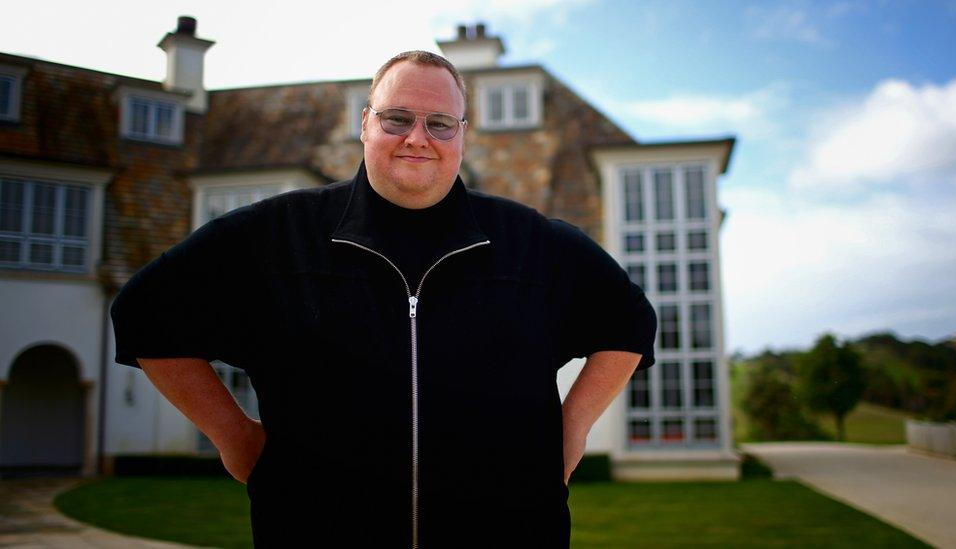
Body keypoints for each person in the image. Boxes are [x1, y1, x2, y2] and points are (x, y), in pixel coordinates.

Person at [111, 51, 656, 548]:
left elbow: (629, 321)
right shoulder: (277, 235)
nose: (418, 137)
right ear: (366, 123)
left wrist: (572, 428)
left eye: (440, 123)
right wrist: (233, 437)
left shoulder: (532, 242)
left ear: (462, 136)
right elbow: (145, 314)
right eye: (398, 118)